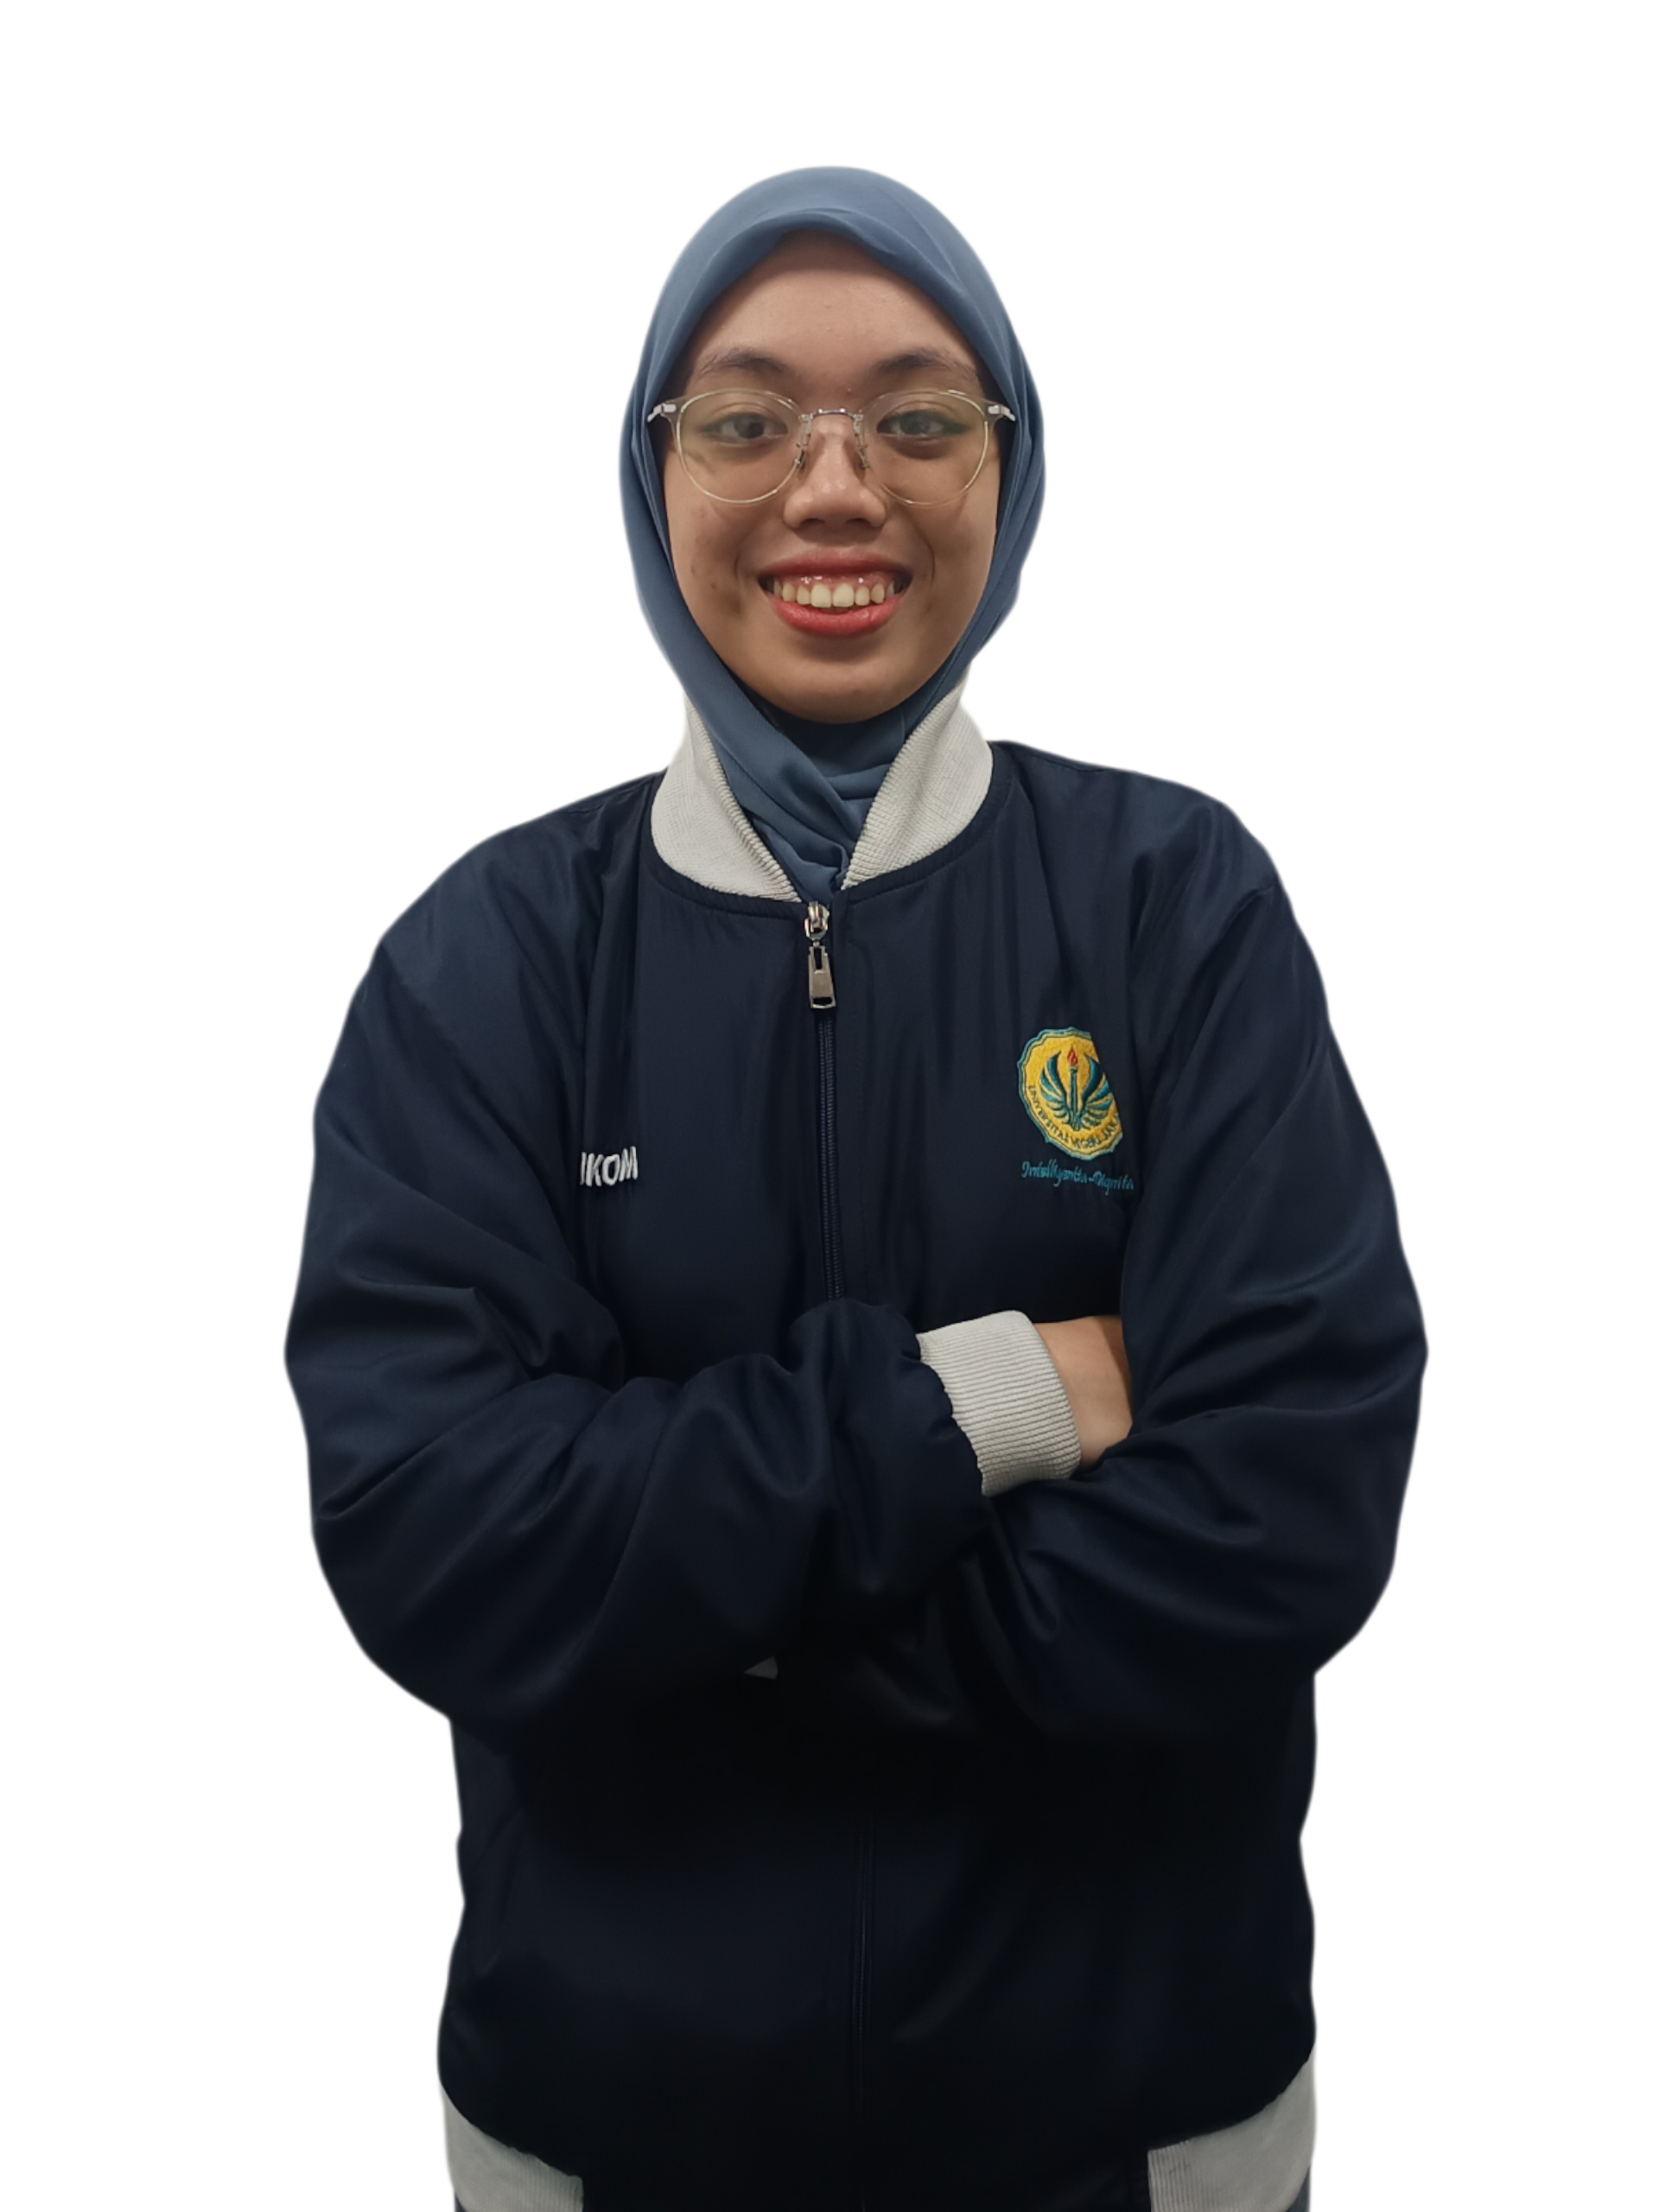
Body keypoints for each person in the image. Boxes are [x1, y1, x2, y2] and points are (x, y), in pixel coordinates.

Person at [283, 164, 1427, 2212]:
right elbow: (433, 1534)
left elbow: (1291, 1512)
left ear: (1013, 465)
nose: (837, 485)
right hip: (603, 2136)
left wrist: (701, 1634)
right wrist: (996, 1398)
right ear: (650, 470)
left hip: (1136, 2127)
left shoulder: (1180, 904)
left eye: (916, 416)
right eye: (748, 417)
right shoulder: (482, 963)